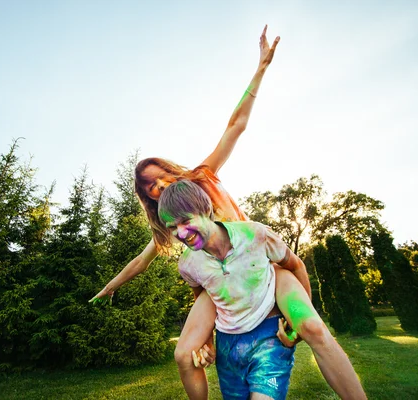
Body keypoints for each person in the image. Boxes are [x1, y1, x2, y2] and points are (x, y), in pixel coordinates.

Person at [91, 25, 312, 399]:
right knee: (184, 354)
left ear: (169, 170)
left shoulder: (203, 176)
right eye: (148, 190)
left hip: (253, 264)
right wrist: (111, 286)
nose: (156, 189)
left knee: (306, 328)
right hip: (219, 280)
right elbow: (141, 260)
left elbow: (235, 127)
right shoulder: (173, 223)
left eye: (157, 180)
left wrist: (260, 69)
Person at [159, 180, 367, 400]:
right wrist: (206, 340)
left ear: (206, 210)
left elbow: (295, 265)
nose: (181, 233)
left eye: (185, 221)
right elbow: (202, 293)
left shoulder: (255, 234)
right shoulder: (187, 264)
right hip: (229, 345)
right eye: (172, 227)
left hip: (269, 336)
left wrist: (296, 321)